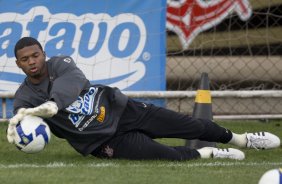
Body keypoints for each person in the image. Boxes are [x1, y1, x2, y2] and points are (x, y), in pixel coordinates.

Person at [6, 37, 281, 161]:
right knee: (165, 155)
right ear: (18, 64)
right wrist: (19, 123)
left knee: (191, 125)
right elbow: (21, 116)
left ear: (43, 53)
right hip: (103, 141)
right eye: (25, 59)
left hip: (124, 109)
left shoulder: (61, 64)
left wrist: (53, 104)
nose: (32, 62)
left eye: (35, 55)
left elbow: (73, 82)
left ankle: (242, 139)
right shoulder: (25, 96)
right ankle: (209, 153)